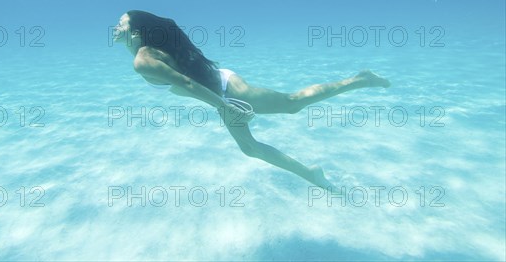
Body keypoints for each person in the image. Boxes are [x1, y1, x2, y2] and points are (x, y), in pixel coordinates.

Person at [112, 10, 390, 190]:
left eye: (121, 23)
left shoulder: (143, 60)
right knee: (251, 147)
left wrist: (225, 106)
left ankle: (360, 79)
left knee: (291, 103)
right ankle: (312, 174)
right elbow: (188, 78)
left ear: (137, 31)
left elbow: (186, 83)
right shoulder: (146, 50)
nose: (115, 27)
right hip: (220, 90)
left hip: (225, 91)